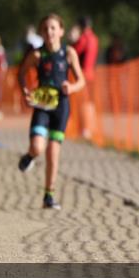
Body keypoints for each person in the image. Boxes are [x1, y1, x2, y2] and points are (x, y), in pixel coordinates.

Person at [17, 14, 85, 210]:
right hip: (42, 106)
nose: (50, 32)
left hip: (61, 106)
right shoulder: (37, 55)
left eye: (53, 28)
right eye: (45, 29)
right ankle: (29, 156)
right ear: (41, 33)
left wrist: (71, 87)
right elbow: (21, 74)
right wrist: (25, 91)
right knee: (38, 147)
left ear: (61, 31)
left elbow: (81, 80)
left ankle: (48, 195)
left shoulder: (69, 53)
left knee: (53, 152)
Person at [71, 16, 98, 140]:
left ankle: (85, 129)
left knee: (82, 103)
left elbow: (74, 53)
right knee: (88, 103)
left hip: (82, 74)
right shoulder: (94, 38)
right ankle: (89, 128)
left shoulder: (84, 39)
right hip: (91, 73)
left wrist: (72, 40)